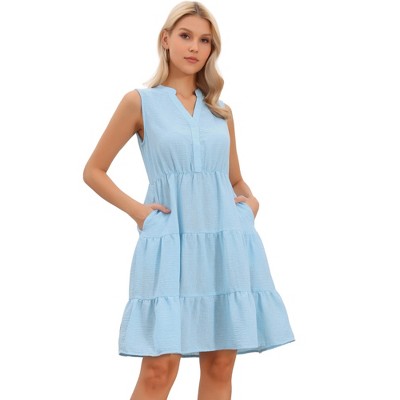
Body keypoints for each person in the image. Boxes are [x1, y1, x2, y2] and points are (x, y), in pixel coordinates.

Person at [83, 1, 294, 399]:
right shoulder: (139, 102)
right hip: (170, 243)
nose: (194, 47)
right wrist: (140, 213)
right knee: (159, 368)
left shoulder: (221, 111)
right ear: (165, 40)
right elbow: (93, 170)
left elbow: (234, 179)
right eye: (185, 36)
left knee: (220, 362)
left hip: (224, 243)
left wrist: (251, 206)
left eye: (205, 40)